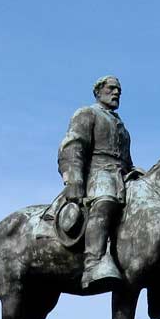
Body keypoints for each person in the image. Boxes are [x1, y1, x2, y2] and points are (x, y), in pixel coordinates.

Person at [58, 75, 140, 291]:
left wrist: (137, 173)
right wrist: (73, 179)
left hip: (121, 176)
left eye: (118, 90)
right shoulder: (87, 113)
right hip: (98, 173)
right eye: (111, 88)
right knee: (106, 201)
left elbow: (127, 160)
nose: (116, 93)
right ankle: (93, 263)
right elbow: (73, 146)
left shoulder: (122, 127)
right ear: (98, 92)